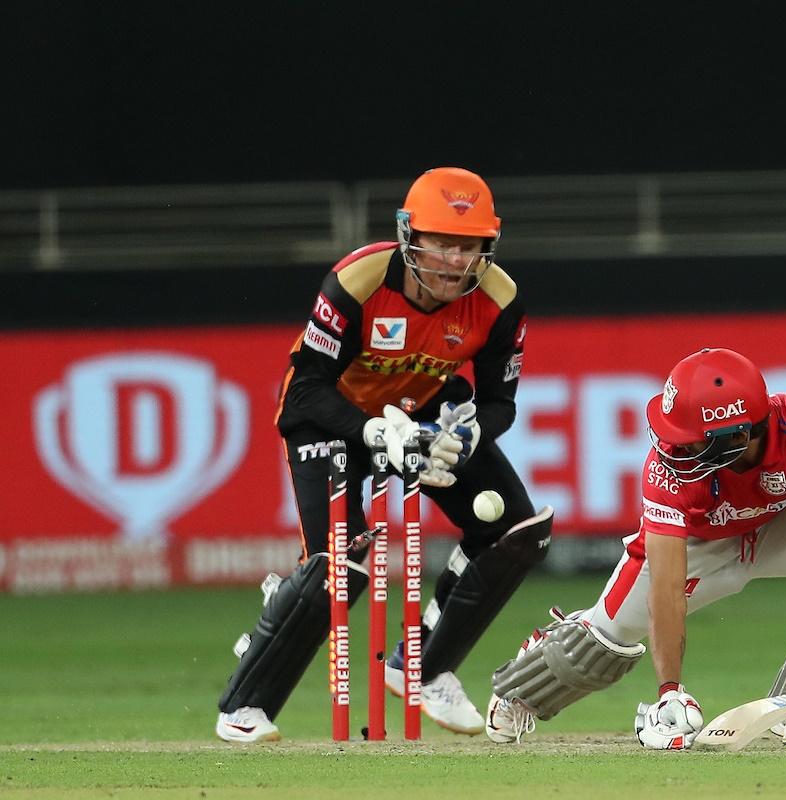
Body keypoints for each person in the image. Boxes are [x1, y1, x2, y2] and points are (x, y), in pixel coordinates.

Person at [215, 166, 553, 742]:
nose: (454, 261)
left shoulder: (499, 299)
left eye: (469, 247)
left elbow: (501, 401)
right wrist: (370, 432)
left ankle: (422, 667)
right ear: (410, 236)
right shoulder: (361, 280)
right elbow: (306, 387)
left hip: (422, 410)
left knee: (519, 530)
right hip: (329, 417)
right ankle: (246, 703)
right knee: (343, 567)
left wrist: (469, 433)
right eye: (442, 243)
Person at [486, 347, 786, 749]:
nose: (677, 447)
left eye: (692, 437)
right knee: (600, 647)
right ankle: (522, 685)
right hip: (698, 547)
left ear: (738, 434)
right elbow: (667, 592)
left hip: (775, 530)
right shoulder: (667, 472)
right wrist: (668, 692)